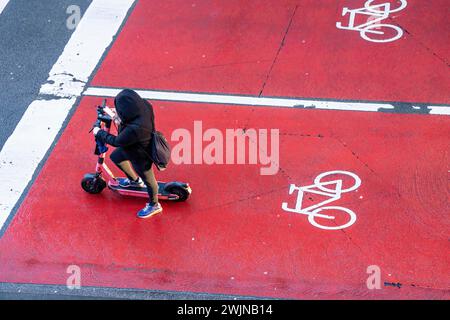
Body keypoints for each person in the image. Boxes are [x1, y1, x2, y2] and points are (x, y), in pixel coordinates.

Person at [93, 89, 162, 219]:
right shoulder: (145, 105)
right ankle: (135, 181)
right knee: (116, 157)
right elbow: (129, 120)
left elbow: (117, 141)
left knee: (149, 180)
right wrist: (118, 116)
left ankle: (154, 204)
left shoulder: (135, 129)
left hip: (141, 154)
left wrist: (99, 132)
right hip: (134, 146)